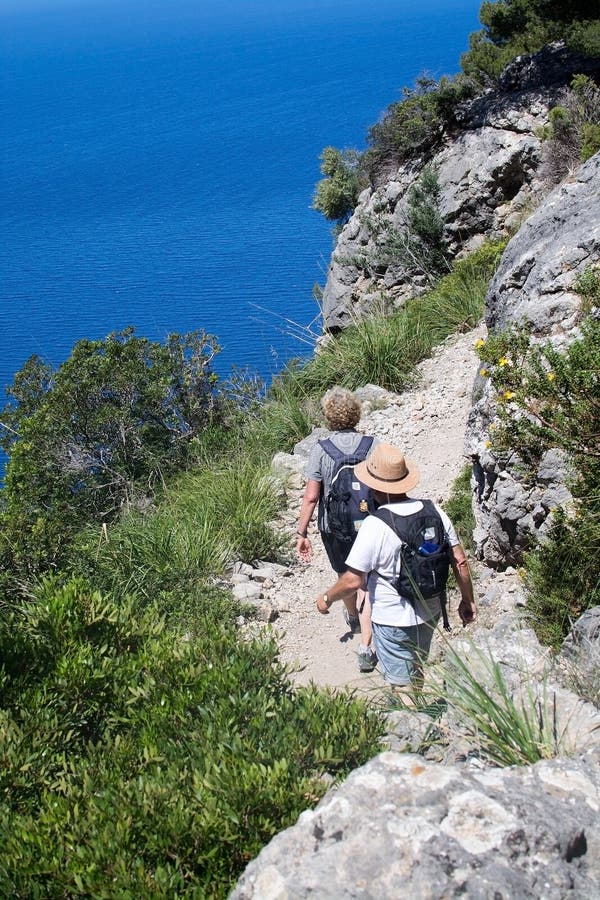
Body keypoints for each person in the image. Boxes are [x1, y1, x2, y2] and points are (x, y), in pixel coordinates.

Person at [315, 442, 476, 698]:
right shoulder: (434, 510)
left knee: (401, 685)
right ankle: (421, 712)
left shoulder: (375, 525)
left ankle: (413, 727)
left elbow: (352, 580)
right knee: (417, 667)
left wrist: (326, 599)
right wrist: (468, 600)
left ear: (373, 485)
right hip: (430, 609)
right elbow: (460, 561)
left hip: (391, 617)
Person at [296, 386, 378, 672]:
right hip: (371, 523)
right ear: (356, 413)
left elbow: (310, 497)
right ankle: (367, 645)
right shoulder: (372, 445)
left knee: (346, 574)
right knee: (368, 579)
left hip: (335, 527)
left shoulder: (321, 451)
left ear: (328, 417)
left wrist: (302, 533)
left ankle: (354, 617)